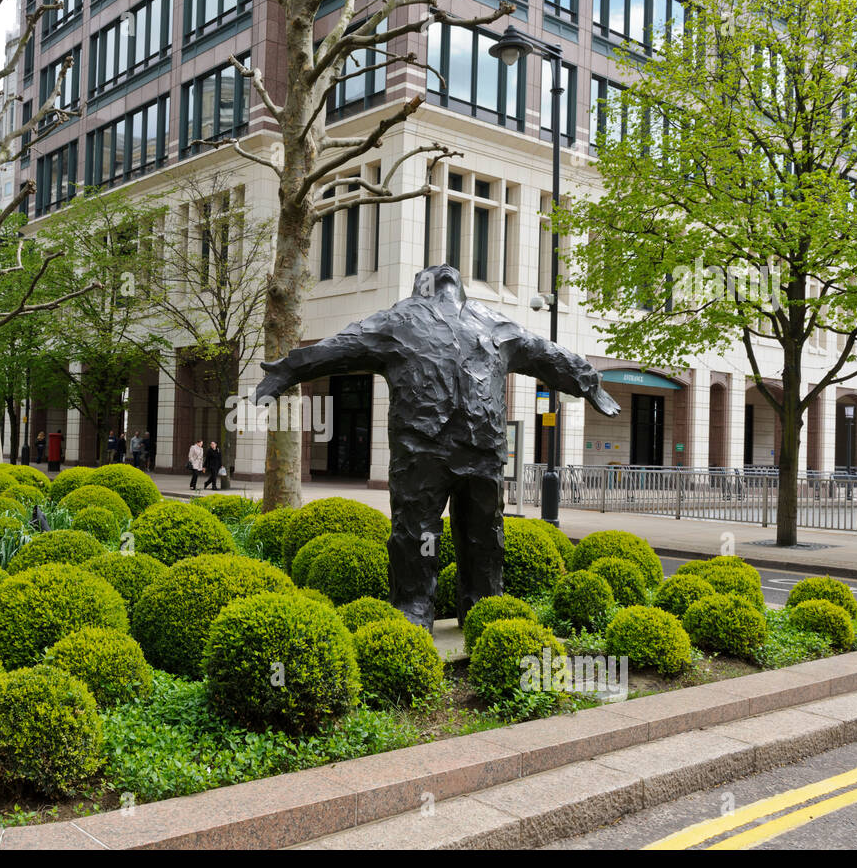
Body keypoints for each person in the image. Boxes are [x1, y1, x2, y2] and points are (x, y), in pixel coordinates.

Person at [256, 264, 620, 632]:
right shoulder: (397, 321)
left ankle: (483, 604)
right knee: (416, 532)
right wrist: (289, 369)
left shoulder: (492, 322)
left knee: (484, 533)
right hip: (422, 452)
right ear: (421, 287)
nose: (443, 272)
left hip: (482, 451)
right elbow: (338, 348)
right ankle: (414, 607)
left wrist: (589, 383)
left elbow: (545, 354)